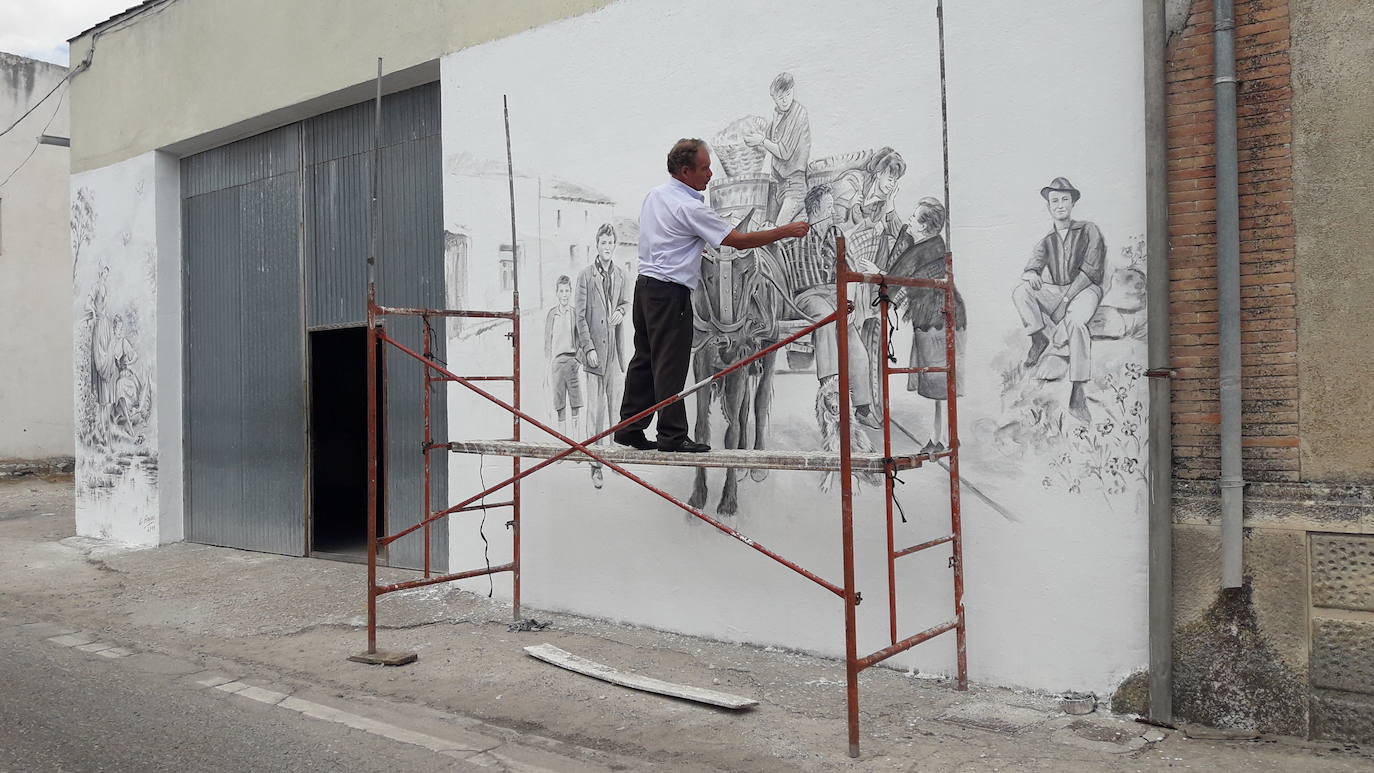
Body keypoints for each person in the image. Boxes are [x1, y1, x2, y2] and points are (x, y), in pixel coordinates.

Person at [615, 138, 808, 453]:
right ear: (685, 170)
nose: (710, 174)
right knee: (671, 364)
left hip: (645, 288)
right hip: (671, 293)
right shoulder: (691, 207)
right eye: (704, 168)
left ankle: (629, 428)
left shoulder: (655, 196)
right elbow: (739, 242)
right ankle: (672, 436)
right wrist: (786, 231)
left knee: (645, 358)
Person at [782, 184, 880, 429]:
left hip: (835, 293)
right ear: (816, 210)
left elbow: (850, 269)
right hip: (806, 294)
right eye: (829, 207)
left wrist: (850, 302)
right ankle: (831, 389)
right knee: (826, 318)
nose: (834, 211)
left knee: (852, 336)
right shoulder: (797, 232)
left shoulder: (837, 233)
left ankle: (863, 406)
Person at [1013, 177, 1105, 422]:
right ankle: (1038, 338)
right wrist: (1032, 274)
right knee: (1021, 291)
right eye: (1055, 201)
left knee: (1075, 322)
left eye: (1065, 199)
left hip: (1085, 290)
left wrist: (1064, 301)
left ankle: (1077, 390)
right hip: (1059, 291)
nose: (1060, 205)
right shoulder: (1048, 240)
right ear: (1049, 206)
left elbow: (1091, 271)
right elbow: (1032, 265)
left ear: (1073, 202)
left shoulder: (1088, 229)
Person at [887, 197, 965, 452]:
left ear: (924, 226)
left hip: (935, 321)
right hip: (940, 317)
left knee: (938, 382)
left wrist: (875, 273)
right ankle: (943, 436)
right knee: (940, 382)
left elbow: (893, 279)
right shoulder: (933, 245)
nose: (909, 220)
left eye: (914, 217)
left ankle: (939, 439)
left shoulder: (923, 249)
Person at [575, 224, 630, 487]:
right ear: (597, 245)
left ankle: (614, 457)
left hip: (614, 356)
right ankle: (595, 463)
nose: (607, 247)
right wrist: (589, 349)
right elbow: (580, 318)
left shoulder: (621, 275)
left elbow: (625, 303)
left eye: (611, 243)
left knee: (616, 409)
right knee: (595, 413)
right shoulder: (585, 276)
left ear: (614, 246)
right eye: (603, 242)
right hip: (595, 356)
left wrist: (621, 311)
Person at [744, 72, 811, 225]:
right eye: (780, 97)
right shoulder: (777, 114)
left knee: (775, 233)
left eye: (788, 94)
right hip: (776, 184)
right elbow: (767, 138)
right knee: (763, 231)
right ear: (773, 98)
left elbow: (784, 152)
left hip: (794, 186)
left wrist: (761, 140)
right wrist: (755, 137)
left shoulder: (798, 113)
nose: (785, 100)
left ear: (792, 90)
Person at [544, 275, 583, 442]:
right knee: (560, 404)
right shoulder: (552, 314)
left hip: (572, 361)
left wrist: (578, 360)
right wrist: (547, 365)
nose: (565, 294)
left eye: (567, 291)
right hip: (557, 363)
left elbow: (581, 339)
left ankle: (575, 441)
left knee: (575, 402)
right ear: (557, 293)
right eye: (562, 291)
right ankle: (563, 443)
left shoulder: (574, 314)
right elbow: (547, 341)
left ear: (571, 292)